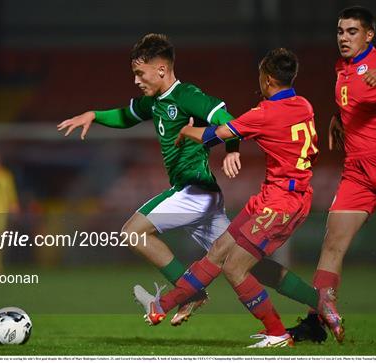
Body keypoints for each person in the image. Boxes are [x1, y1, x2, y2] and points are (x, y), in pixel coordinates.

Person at [58, 34, 321, 328]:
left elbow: (226, 117)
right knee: (250, 267)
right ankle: (321, 303)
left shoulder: (187, 95)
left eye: (139, 73)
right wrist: (93, 115)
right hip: (204, 197)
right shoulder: (154, 102)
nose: (136, 80)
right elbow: (125, 116)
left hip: (194, 190)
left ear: (161, 70)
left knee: (133, 231)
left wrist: (232, 150)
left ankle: (190, 295)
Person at [133, 48, 319, 348]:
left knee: (234, 267)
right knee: (225, 254)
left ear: (268, 79)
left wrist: (188, 131)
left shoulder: (265, 111)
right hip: (277, 196)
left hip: (280, 200)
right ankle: (161, 307)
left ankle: (279, 330)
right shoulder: (304, 105)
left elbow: (219, 131)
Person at [287, 6, 376, 344]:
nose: (343, 37)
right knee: (333, 241)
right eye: (340, 31)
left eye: (351, 32)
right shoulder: (342, 69)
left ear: (368, 35)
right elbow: (353, 102)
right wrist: (339, 120)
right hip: (357, 170)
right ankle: (314, 323)